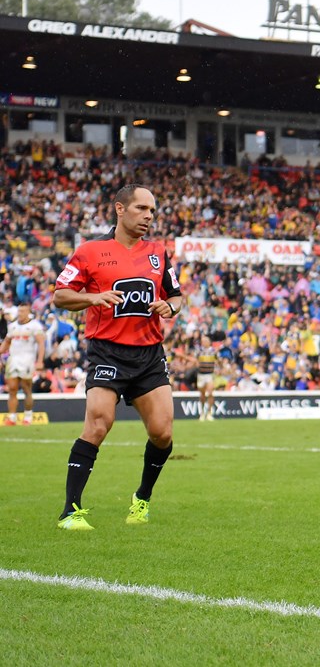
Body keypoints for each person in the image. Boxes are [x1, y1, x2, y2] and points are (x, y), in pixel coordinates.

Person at [52, 184, 183, 530]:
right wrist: (92, 298)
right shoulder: (90, 251)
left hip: (149, 354)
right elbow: (60, 295)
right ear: (120, 209)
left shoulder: (158, 252)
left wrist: (170, 307)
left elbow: (177, 295)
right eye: (141, 208)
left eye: (152, 211)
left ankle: (142, 499)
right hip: (107, 351)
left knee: (163, 433)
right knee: (98, 423)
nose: (148, 216)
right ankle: (70, 511)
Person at [1, 304, 46, 426]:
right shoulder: (12, 326)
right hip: (13, 360)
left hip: (27, 360)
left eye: (23, 311)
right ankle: (12, 417)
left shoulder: (35, 326)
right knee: (12, 389)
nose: (20, 313)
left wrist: (40, 361)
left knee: (26, 389)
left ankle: (28, 416)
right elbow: (6, 342)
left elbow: (41, 344)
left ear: (28, 312)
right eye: (19, 311)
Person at [195, 337, 220, 421]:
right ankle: (202, 412)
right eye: (203, 341)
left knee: (210, 393)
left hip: (210, 374)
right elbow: (196, 360)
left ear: (209, 342)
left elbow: (218, 361)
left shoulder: (213, 351)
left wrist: (218, 367)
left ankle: (209, 413)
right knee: (202, 394)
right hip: (201, 375)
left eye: (206, 341)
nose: (204, 342)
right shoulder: (199, 351)